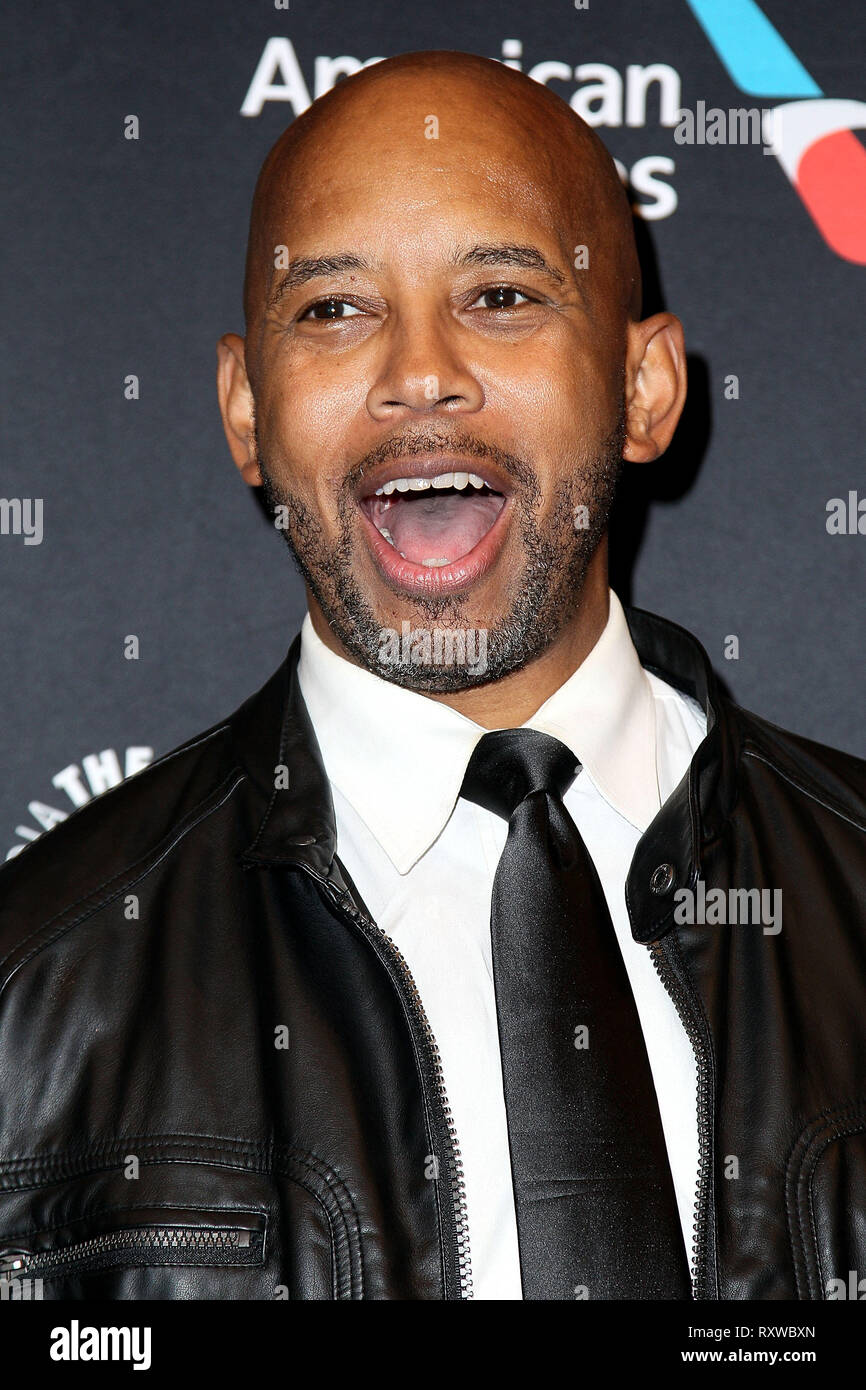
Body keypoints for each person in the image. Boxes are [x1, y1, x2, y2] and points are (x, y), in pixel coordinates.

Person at [1, 50, 865, 1303]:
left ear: (642, 387)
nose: (418, 373)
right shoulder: (35, 991)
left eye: (503, 295)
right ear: (247, 411)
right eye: (335, 310)